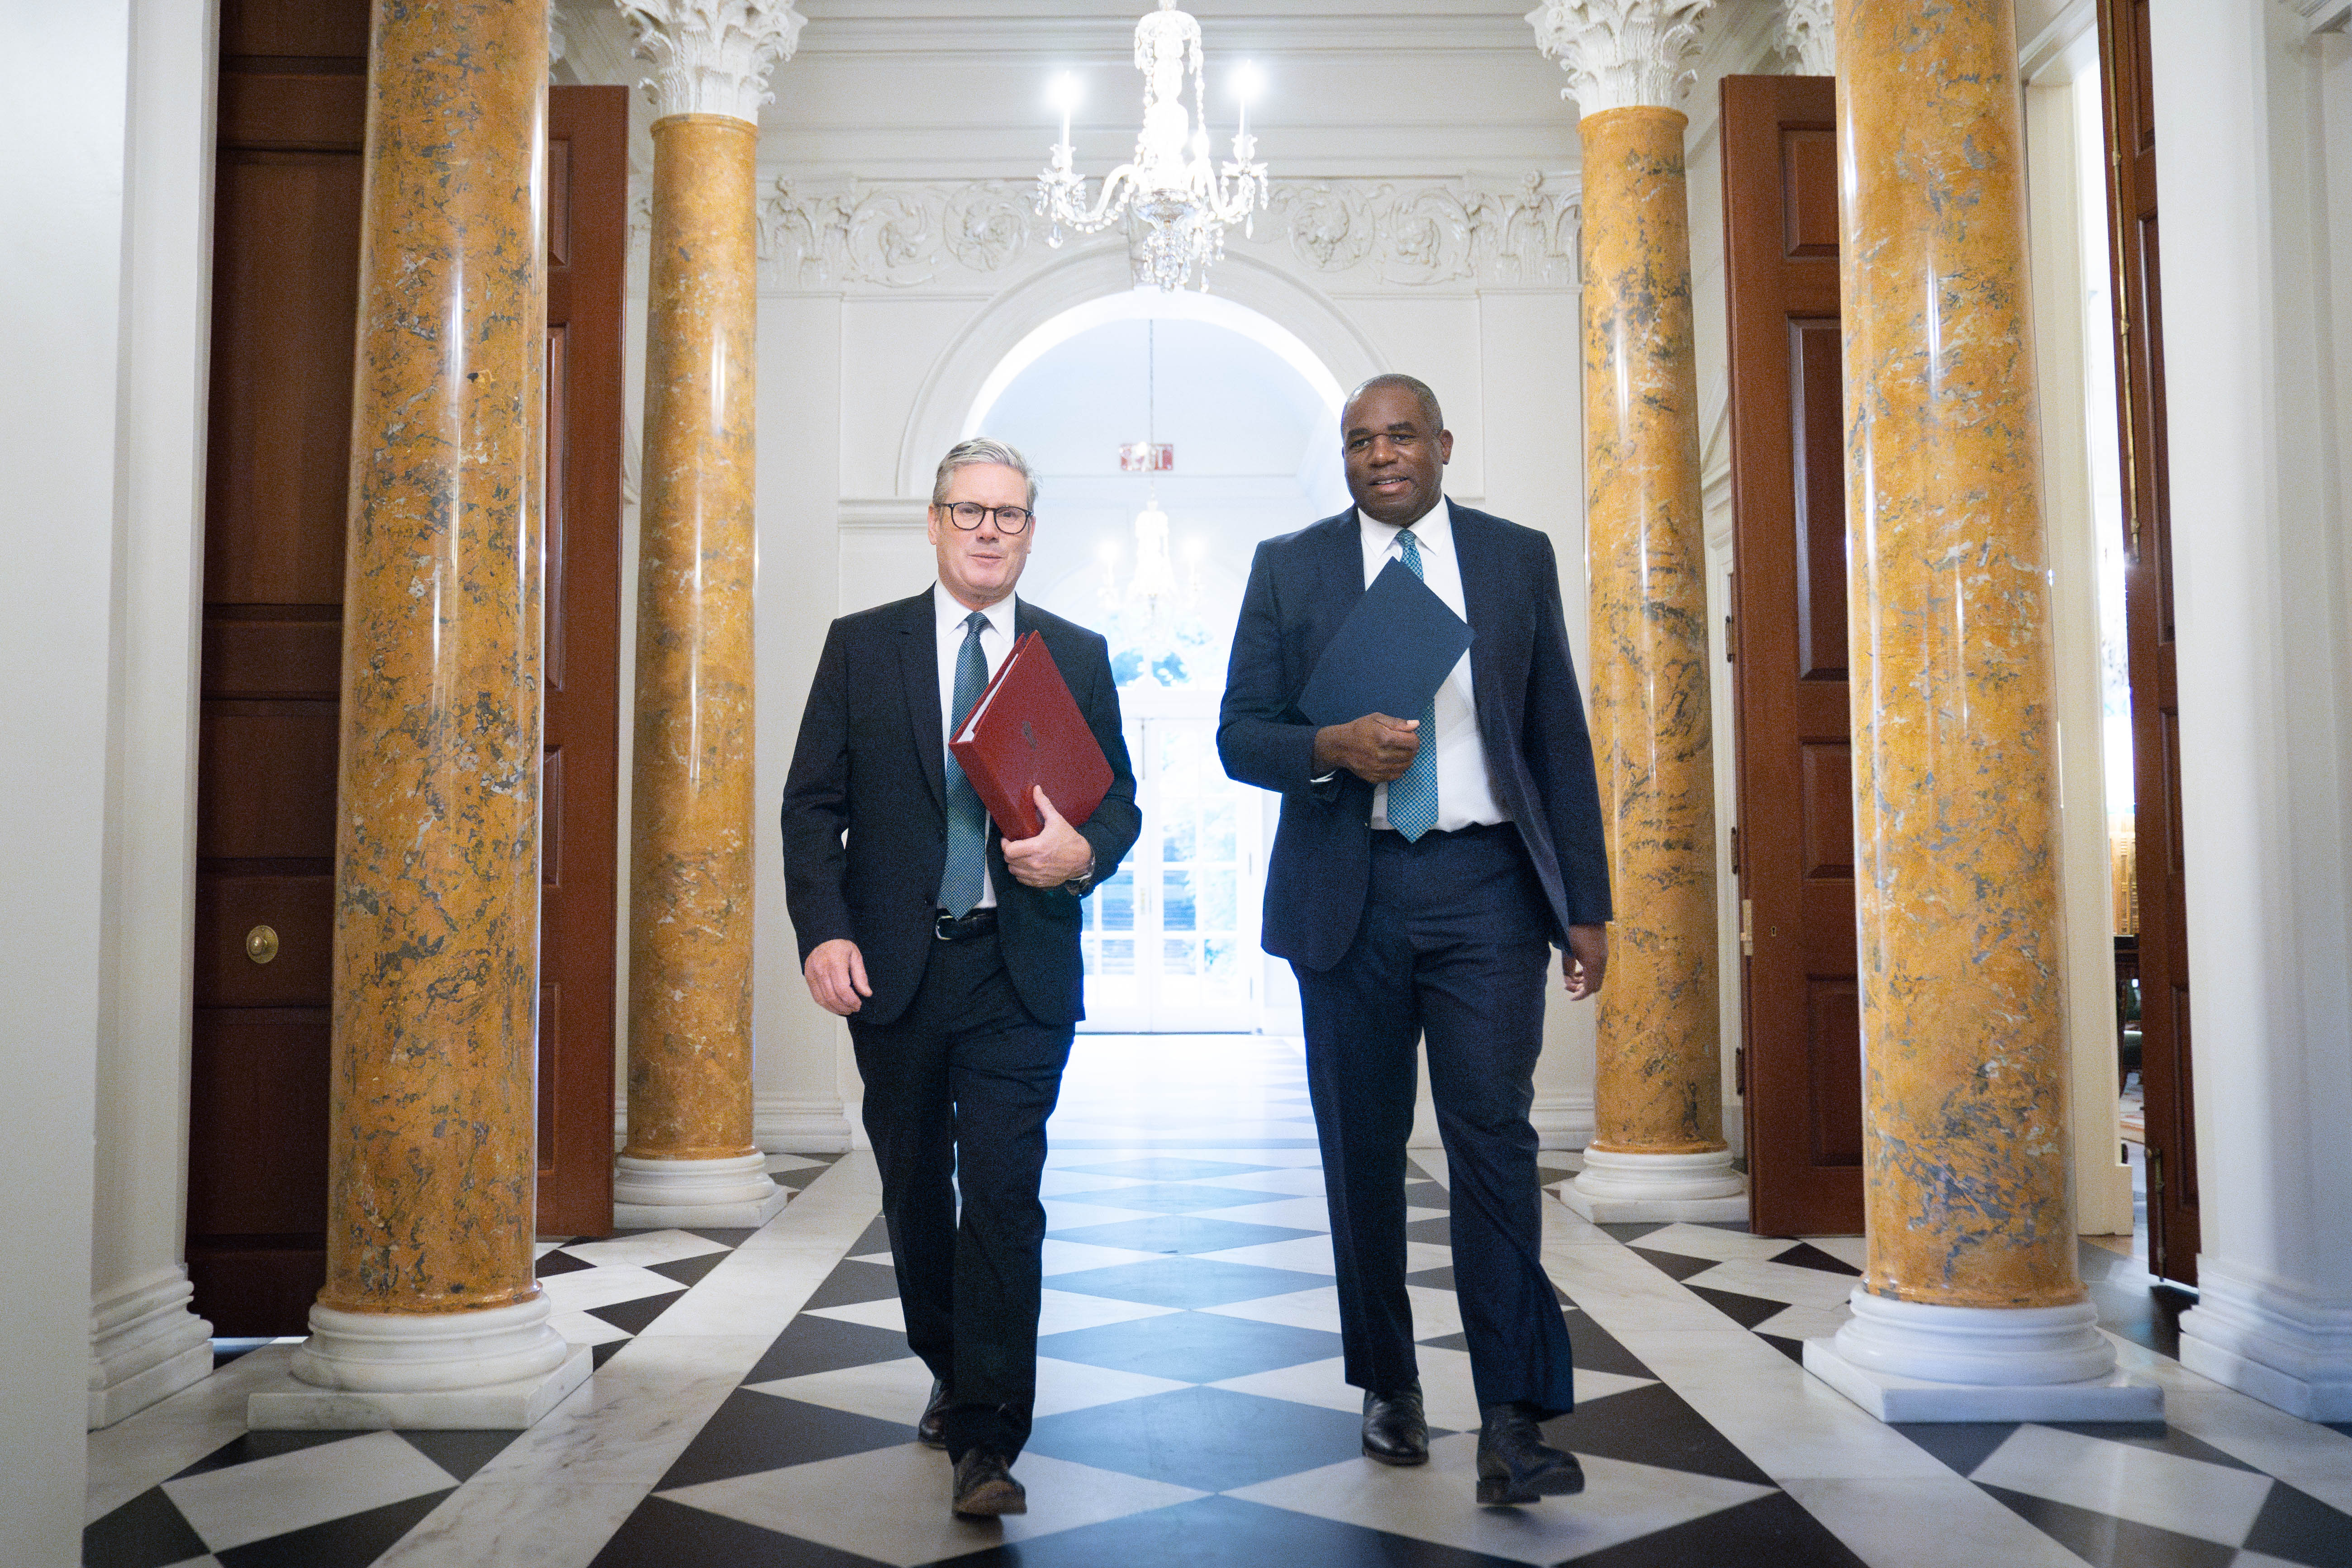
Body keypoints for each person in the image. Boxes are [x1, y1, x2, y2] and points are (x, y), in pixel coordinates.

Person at [1217, 374, 1610, 1506]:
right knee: (1363, 1149)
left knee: (1493, 1137)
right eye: (1357, 441)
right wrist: (1329, 744)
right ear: (1341, 459)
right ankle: (1388, 1378)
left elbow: (1555, 736)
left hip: (1485, 883)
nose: (1379, 455)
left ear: (1442, 442)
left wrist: (1582, 900)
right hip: (1350, 890)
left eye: (1399, 436)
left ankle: (1512, 1414)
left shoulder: (1511, 556)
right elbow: (1240, 734)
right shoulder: (1288, 565)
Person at [780, 438, 1140, 1519]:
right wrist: (822, 931)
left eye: (1011, 515)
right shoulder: (860, 646)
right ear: (933, 522)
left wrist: (1082, 853)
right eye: (970, 511)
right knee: (913, 1193)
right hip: (894, 971)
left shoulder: (1073, 654)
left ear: (1032, 530)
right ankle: (946, 1355)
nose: (990, 530)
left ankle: (987, 1435)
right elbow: (811, 807)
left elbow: (1117, 804)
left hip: (1016, 967)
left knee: (1002, 1194)